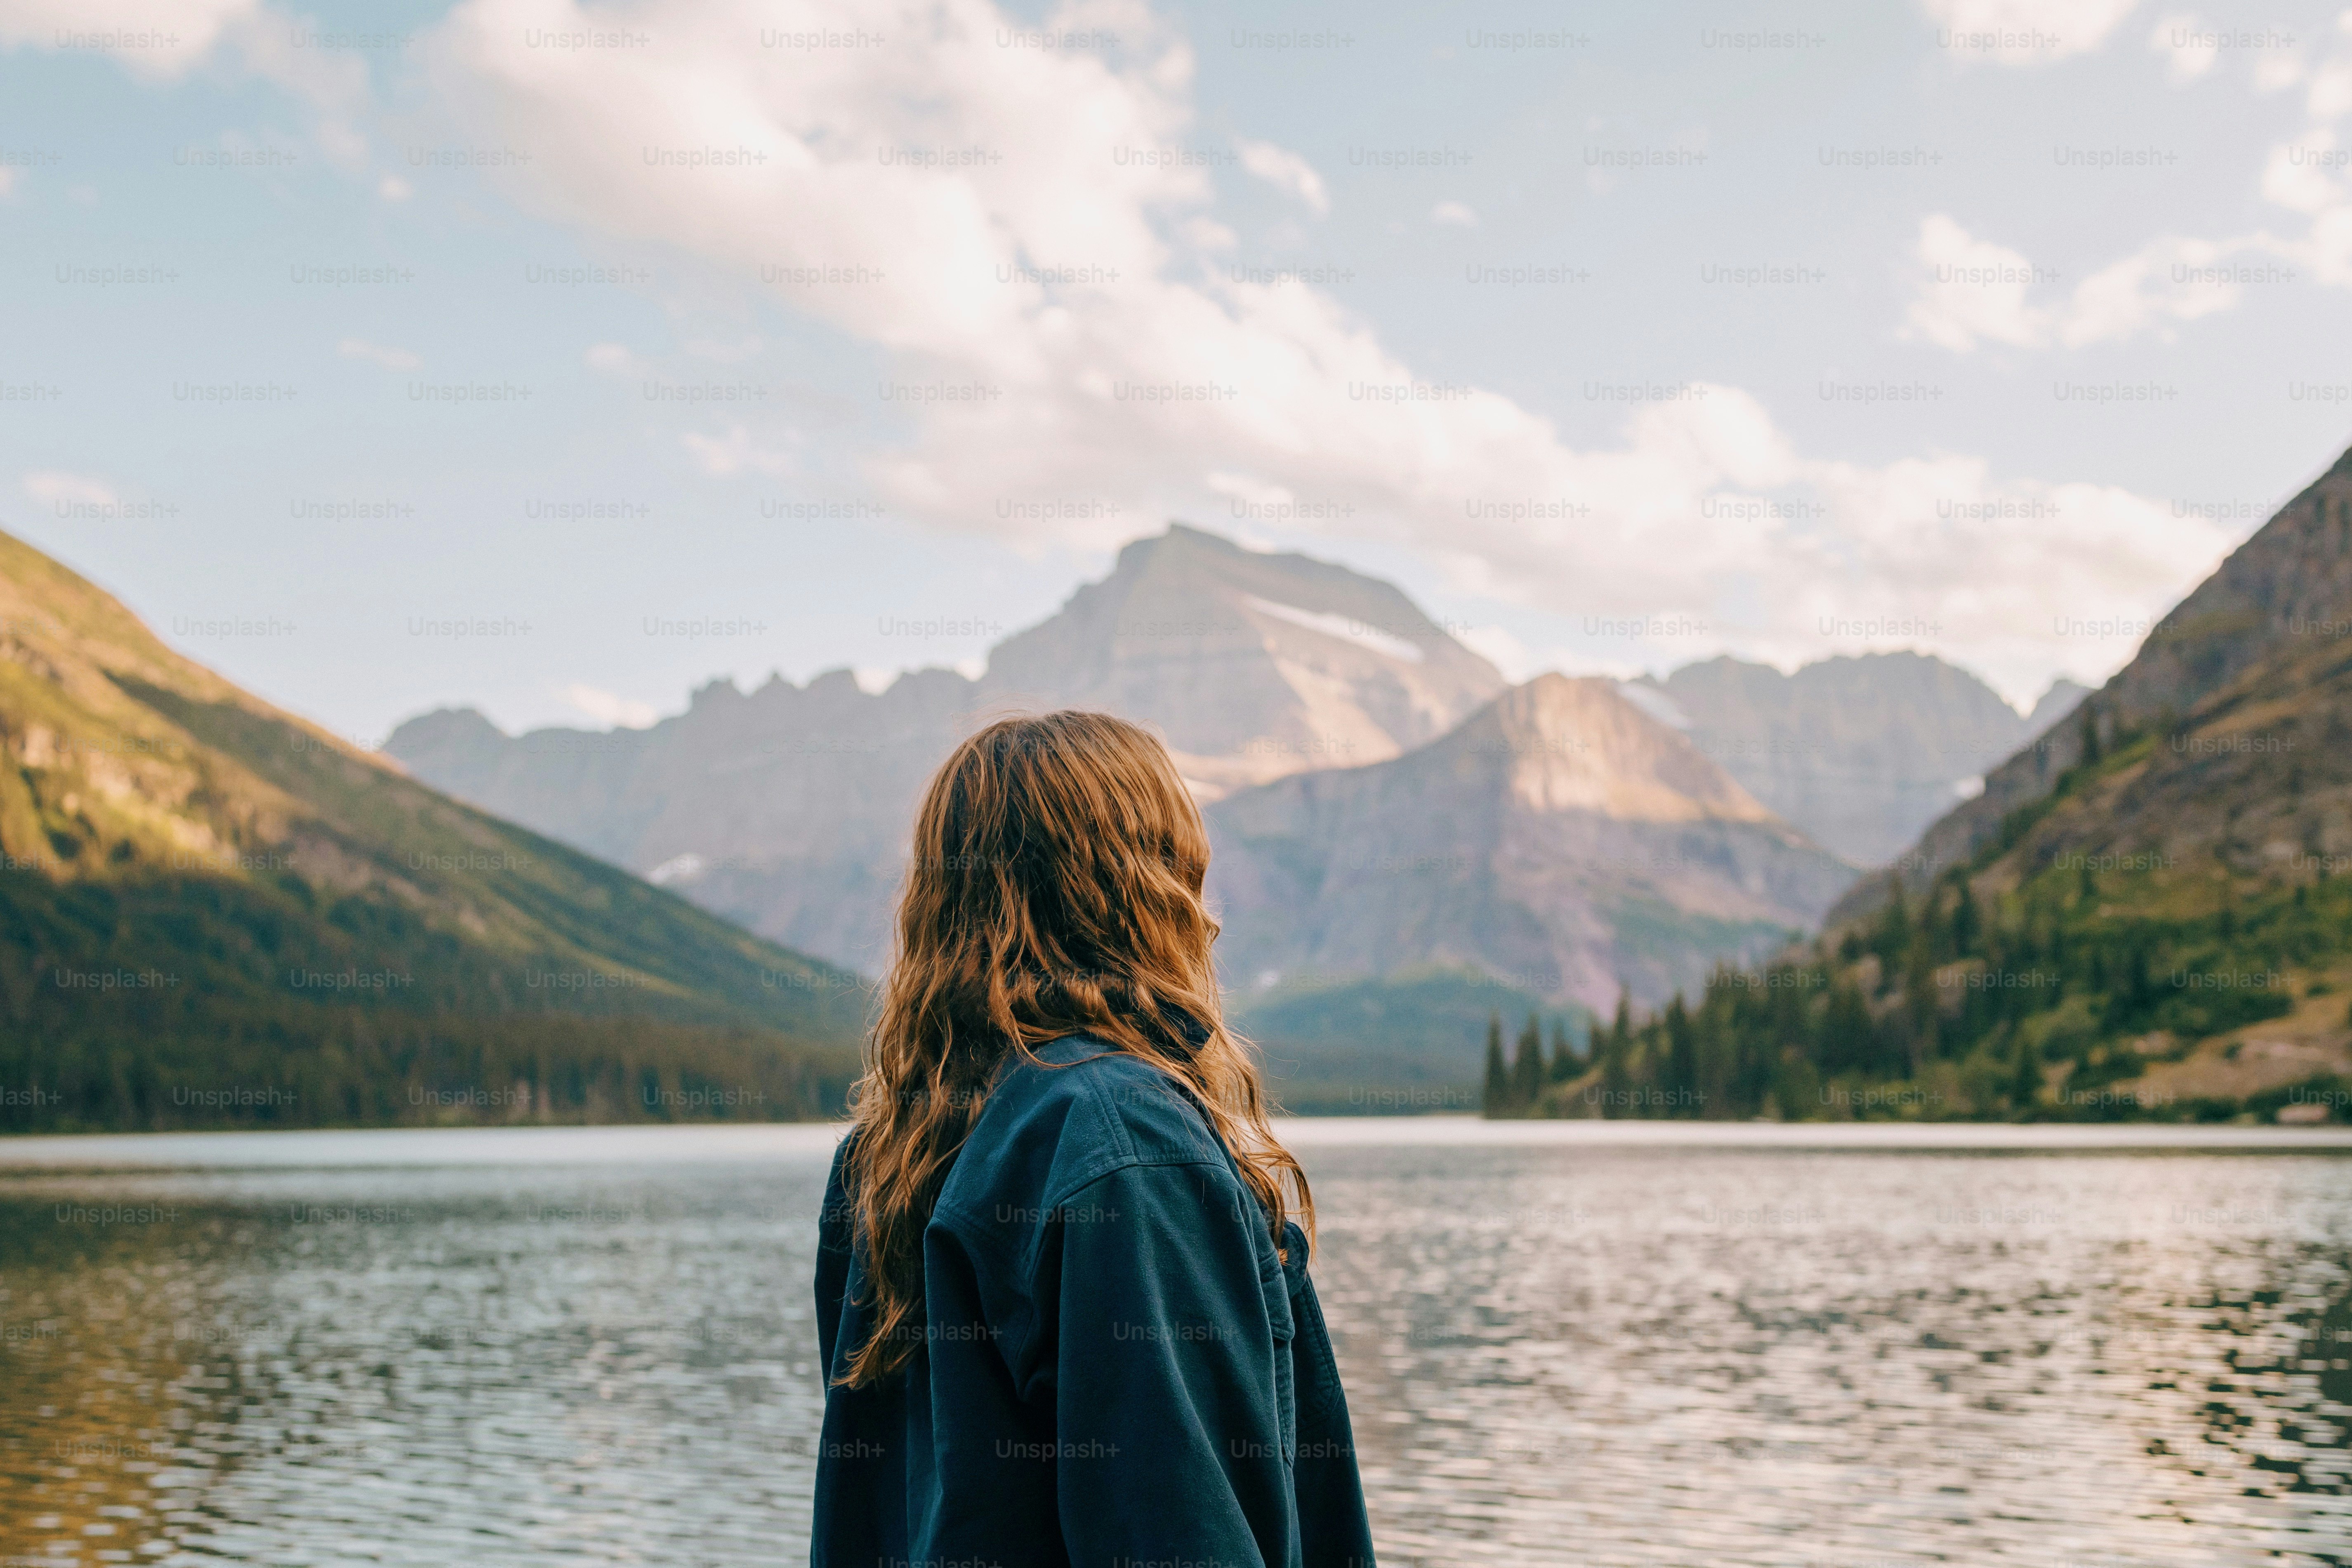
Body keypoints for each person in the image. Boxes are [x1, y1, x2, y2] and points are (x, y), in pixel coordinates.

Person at [811, 710, 1375, 1568]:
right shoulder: (1126, 1143)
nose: (1205, 911)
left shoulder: (889, 1153)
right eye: (1186, 868)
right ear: (1146, 889)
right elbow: (1179, 1533)